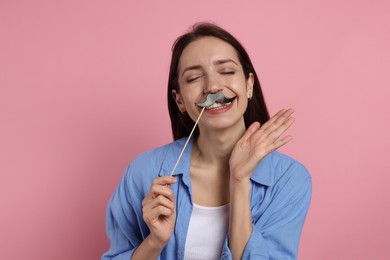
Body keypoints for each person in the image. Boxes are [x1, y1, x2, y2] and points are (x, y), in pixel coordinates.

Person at [102, 22, 312, 260]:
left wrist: (239, 180)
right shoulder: (143, 172)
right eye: (194, 78)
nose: (212, 87)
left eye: (227, 72)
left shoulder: (288, 179)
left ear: (249, 84)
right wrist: (154, 242)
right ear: (179, 100)